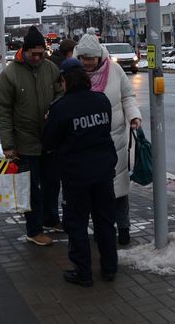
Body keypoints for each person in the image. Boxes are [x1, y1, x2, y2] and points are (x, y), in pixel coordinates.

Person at [43, 58, 118, 287]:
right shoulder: (101, 101)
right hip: (104, 172)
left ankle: (83, 272)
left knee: (76, 223)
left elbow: (48, 143)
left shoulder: (60, 108)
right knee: (105, 222)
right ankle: (109, 268)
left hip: (76, 176)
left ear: (65, 80)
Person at [0, 26, 63, 246]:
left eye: (41, 54)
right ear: (24, 50)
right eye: (33, 54)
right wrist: (8, 144)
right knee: (30, 188)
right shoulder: (9, 74)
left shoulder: (50, 68)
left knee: (52, 183)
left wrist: (54, 109)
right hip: (24, 143)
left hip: (49, 140)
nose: (37, 58)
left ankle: (51, 219)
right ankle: (33, 230)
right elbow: (3, 111)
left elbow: (61, 93)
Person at [73, 28, 142, 245]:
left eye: (91, 58)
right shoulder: (73, 74)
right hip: (88, 141)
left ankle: (124, 228)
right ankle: (104, 229)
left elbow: (127, 96)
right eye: (83, 58)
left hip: (116, 140)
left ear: (99, 56)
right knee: (96, 191)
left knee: (119, 189)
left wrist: (134, 117)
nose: (87, 63)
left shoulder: (115, 70)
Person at [42, 38, 78, 232]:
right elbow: (60, 94)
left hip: (56, 129)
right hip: (55, 131)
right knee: (54, 180)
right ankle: (52, 217)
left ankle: (52, 216)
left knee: (53, 181)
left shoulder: (56, 65)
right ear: (69, 53)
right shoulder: (60, 69)